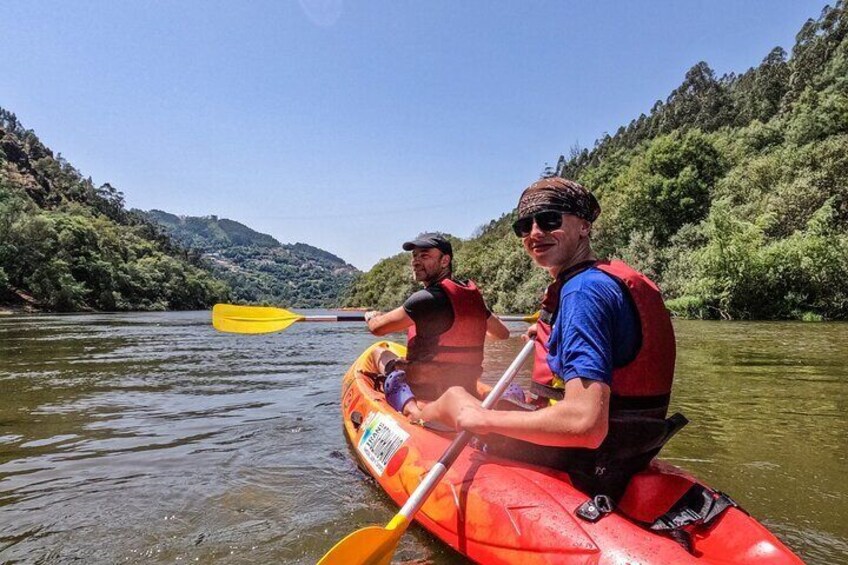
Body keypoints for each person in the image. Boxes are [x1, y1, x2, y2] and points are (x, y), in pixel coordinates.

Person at [419, 178, 683, 500]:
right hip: (631, 448)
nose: (534, 233)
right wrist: (556, 332)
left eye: (549, 220)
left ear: (584, 225)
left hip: (584, 457)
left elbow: (585, 424)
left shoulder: (583, 292)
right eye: (523, 226)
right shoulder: (602, 280)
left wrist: (483, 418)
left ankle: (409, 415)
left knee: (455, 396)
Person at [364, 233, 511, 421]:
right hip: (465, 385)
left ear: (445, 261)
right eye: (414, 256)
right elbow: (502, 334)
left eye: (424, 256)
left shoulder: (425, 299)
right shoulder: (473, 299)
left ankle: (409, 407)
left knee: (380, 352)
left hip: (426, 388)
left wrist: (371, 316)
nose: (416, 262)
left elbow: (377, 329)